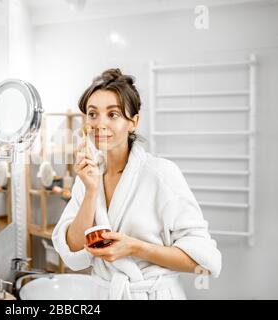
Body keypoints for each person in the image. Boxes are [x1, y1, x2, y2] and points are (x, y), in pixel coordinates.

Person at [52, 68, 222, 300]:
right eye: (93, 114)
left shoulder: (161, 174)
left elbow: (204, 261)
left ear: (133, 122)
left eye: (112, 115)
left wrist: (136, 247)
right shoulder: (88, 177)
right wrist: (91, 190)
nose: (100, 124)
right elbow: (72, 249)